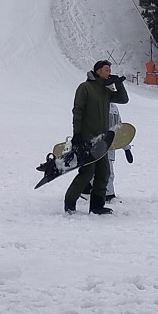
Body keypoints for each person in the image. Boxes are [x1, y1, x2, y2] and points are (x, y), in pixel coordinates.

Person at [65, 59, 129, 215]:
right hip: (88, 139)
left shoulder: (106, 91)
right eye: (106, 70)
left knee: (104, 173)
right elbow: (77, 111)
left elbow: (123, 99)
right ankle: (69, 203)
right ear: (98, 71)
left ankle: (97, 206)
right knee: (87, 173)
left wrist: (118, 84)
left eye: (109, 70)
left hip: (102, 140)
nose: (109, 72)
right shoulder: (85, 87)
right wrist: (77, 134)